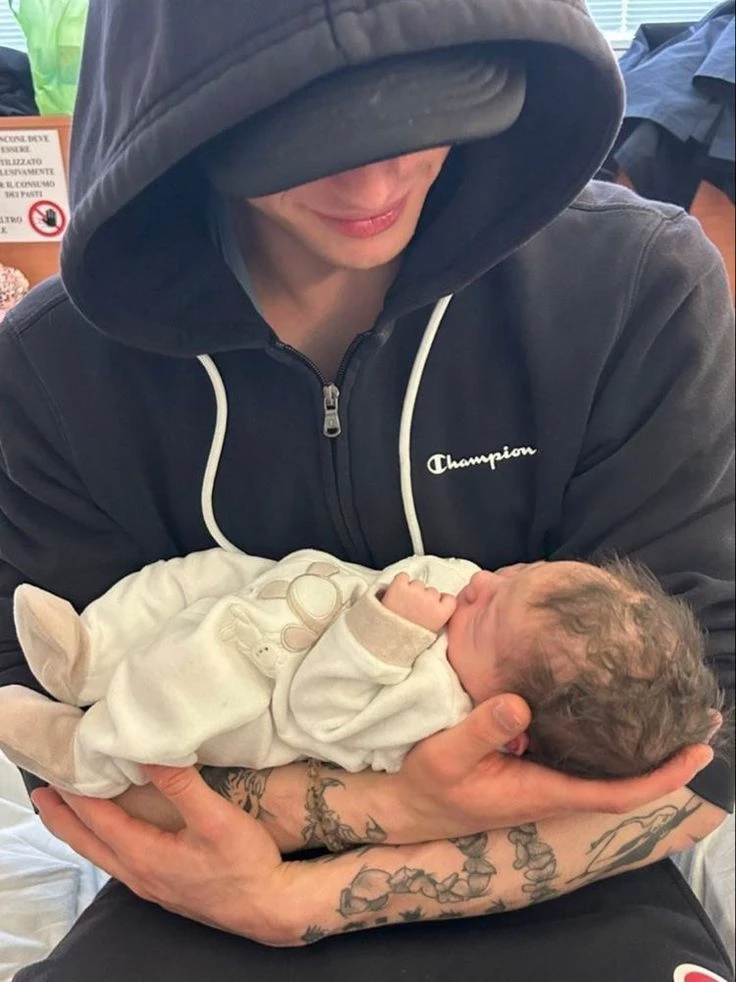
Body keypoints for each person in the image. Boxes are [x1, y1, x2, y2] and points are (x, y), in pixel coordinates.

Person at [0, 0, 732, 979]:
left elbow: (709, 735)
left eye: (427, 112)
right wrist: (390, 806)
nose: (374, 181)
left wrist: (315, 897)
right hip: (199, 898)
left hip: (575, 895)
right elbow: (60, 732)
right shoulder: (53, 368)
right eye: (297, 140)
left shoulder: (635, 285)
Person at [0, 550, 722, 798]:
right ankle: (91, 654)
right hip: (284, 594)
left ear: (506, 724)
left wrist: (384, 631)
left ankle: (90, 756)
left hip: (259, 694)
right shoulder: (488, 626)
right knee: (192, 577)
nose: (479, 583)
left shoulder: (436, 708)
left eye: (488, 612)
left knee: (180, 683)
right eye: (516, 573)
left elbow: (319, 713)